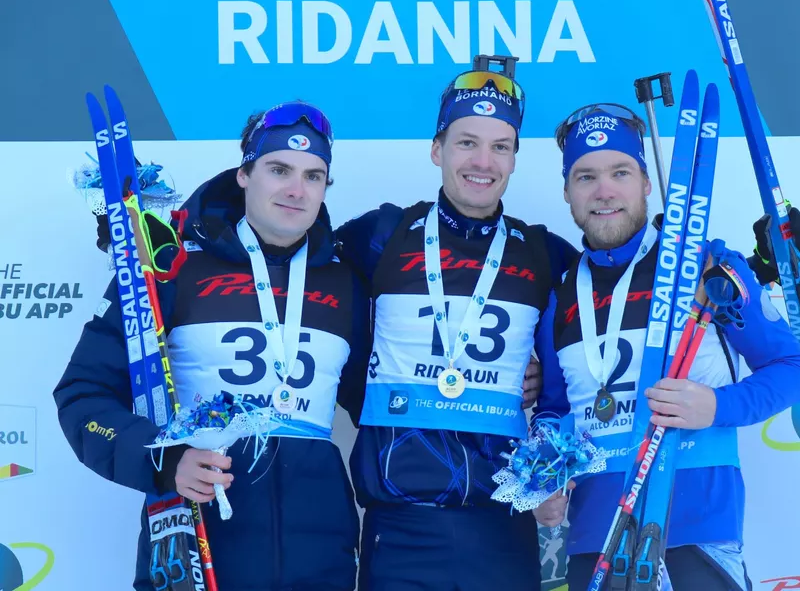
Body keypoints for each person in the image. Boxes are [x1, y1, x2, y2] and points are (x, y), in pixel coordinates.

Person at [53, 102, 370, 591]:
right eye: (279, 169)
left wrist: (516, 380)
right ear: (245, 173)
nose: (296, 188)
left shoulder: (346, 283)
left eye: (314, 175)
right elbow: (83, 395)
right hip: (197, 551)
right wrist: (164, 459)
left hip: (320, 555)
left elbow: (383, 398)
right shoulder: (169, 266)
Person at [531, 104, 800, 591]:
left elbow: (792, 367)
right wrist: (545, 478)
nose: (603, 190)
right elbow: (555, 411)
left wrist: (718, 406)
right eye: (585, 176)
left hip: (696, 527)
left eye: (620, 172)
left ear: (644, 182)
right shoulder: (558, 298)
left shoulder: (707, 269)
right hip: (595, 538)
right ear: (567, 192)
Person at [334, 67, 578, 590]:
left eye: (500, 146)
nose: (483, 162)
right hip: (399, 526)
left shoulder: (543, 253)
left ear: (515, 157)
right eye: (466, 142)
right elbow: (277, 249)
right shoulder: (382, 235)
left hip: (503, 525)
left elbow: (615, 310)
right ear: (436, 148)